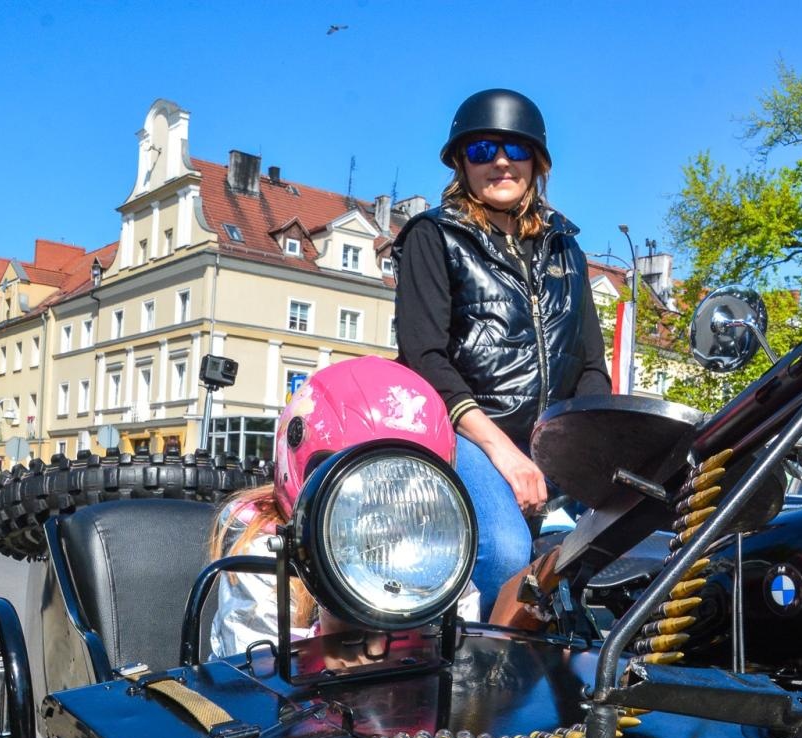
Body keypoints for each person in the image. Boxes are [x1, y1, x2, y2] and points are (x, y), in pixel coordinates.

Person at [393, 88, 611, 617]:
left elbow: (589, 366)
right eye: (481, 150)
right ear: (459, 162)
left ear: (537, 162)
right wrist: (505, 453)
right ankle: (490, 675)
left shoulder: (567, 248)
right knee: (507, 550)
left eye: (515, 150)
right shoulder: (435, 236)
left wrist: (598, 451)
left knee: (638, 534)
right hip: (468, 431)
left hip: (551, 439)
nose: (499, 162)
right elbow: (424, 357)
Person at [206, 356, 465, 659]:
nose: (383, 510)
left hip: (401, 699)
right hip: (293, 701)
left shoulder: (433, 550)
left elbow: (462, 647)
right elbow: (253, 669)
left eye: (405, 486)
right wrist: (329, 636)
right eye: (366, 487)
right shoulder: (262, 549)